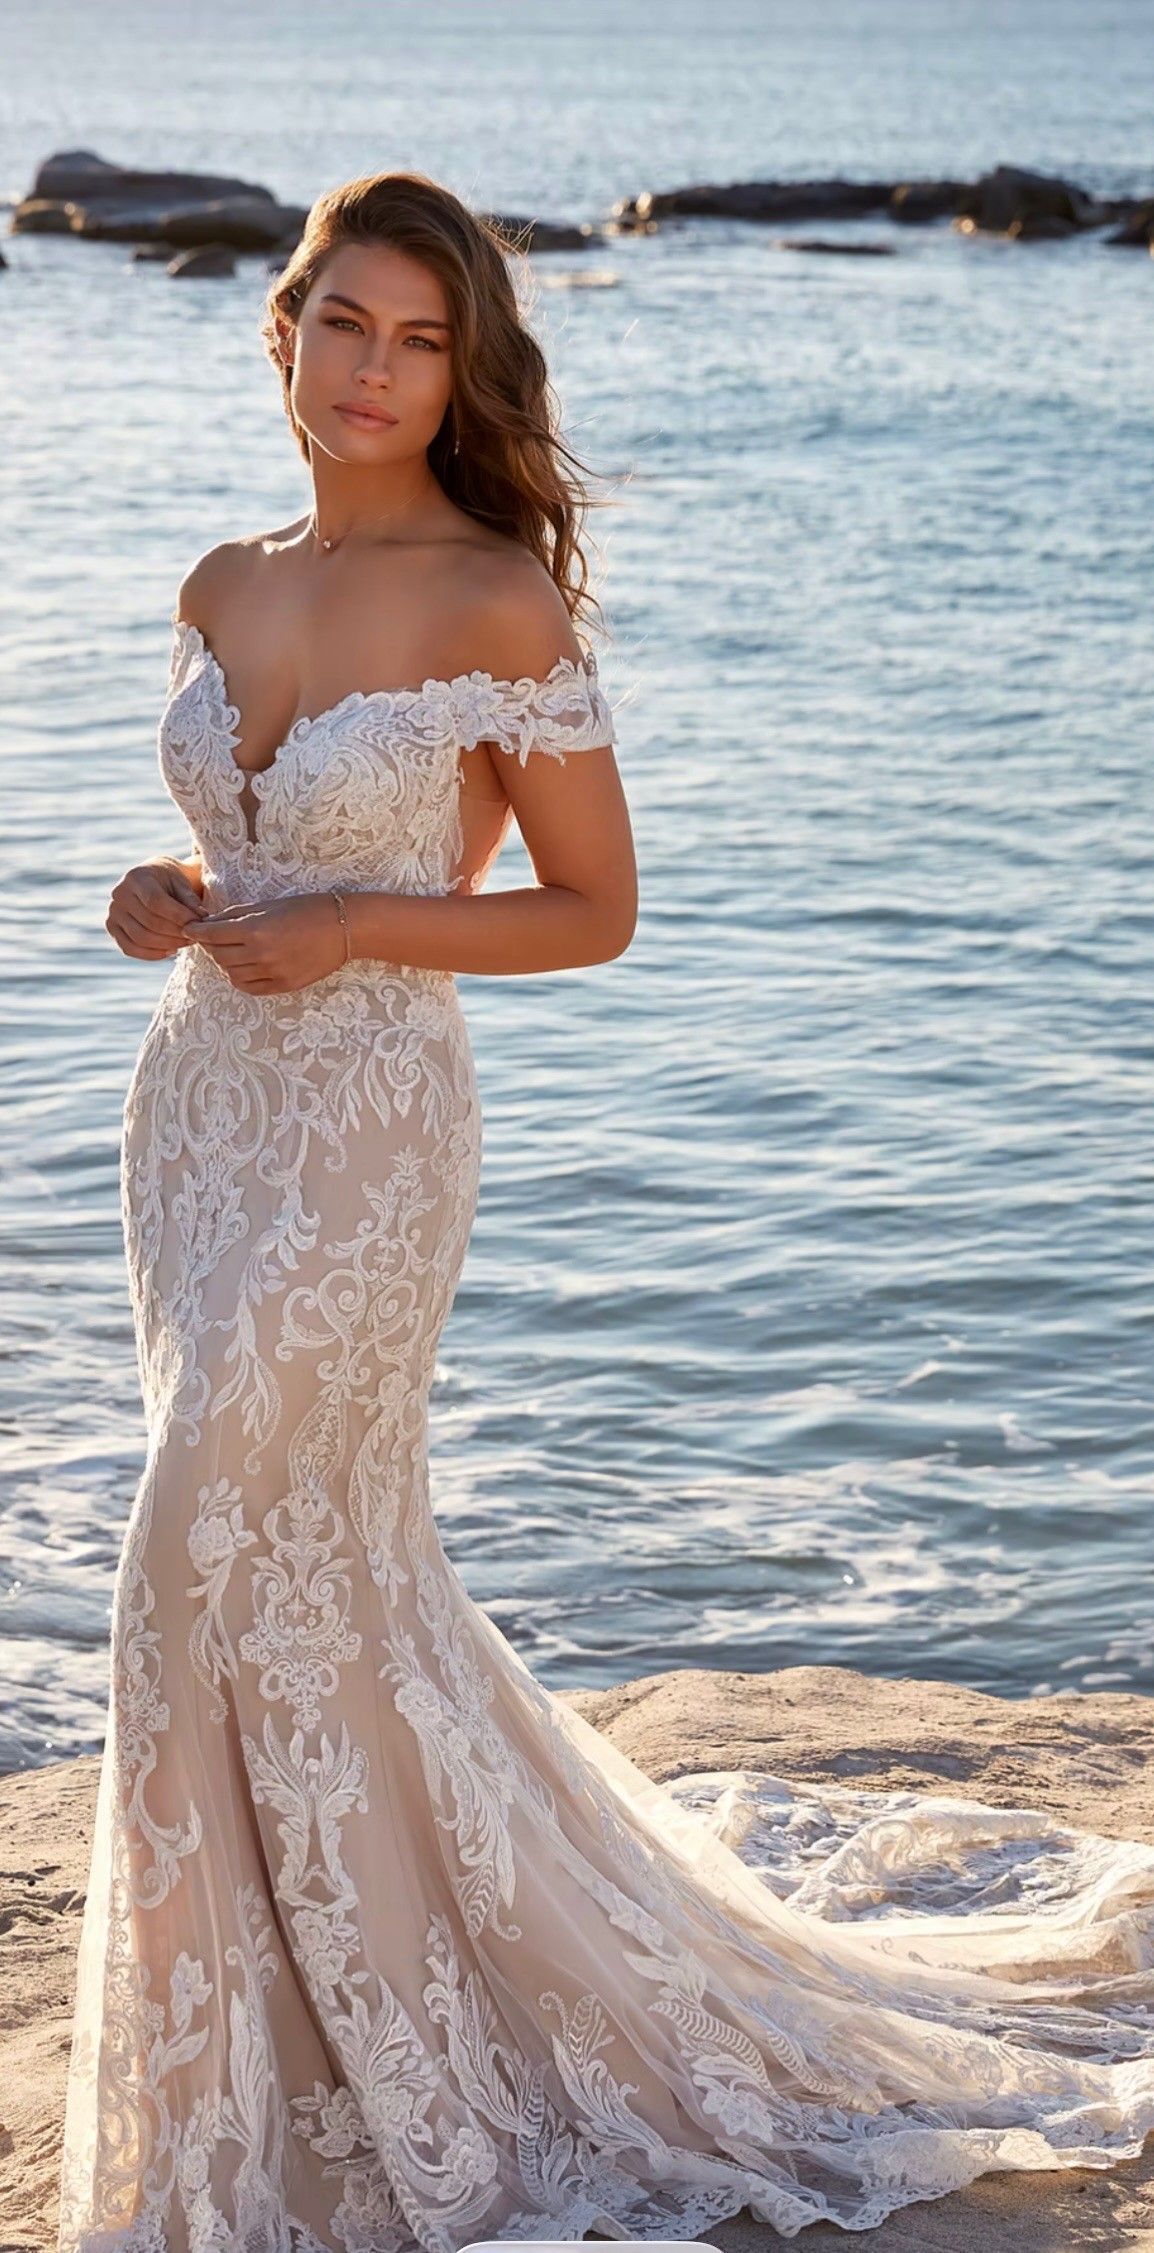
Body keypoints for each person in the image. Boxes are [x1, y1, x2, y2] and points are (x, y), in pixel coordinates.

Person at [59, 170, 1154, 2253]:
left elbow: (588, 907)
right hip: (198, 1113)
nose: (374, 371)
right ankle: (276, 2050)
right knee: (287, 1570)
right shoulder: (220, 579)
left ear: (461, 370)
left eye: (421, 342)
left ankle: (291, 2078)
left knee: (198, 1542)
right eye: (344, 323)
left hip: (368, 1133)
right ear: (281, 326)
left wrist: (355, 923)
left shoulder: (497, 602)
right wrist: (161, 895)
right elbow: (229, 843)